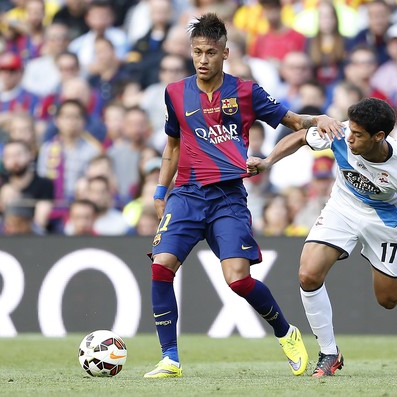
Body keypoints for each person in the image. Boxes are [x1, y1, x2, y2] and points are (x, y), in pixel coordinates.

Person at [145, 13, 344, 379]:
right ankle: (170, 358)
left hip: (227, 198)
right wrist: (161, 189)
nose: (203, 60)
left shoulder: (247, 92)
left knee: (237, 279)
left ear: (225, 53)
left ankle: (285, 332)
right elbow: (172, 146)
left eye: (210, 52)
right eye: (197, 52)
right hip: (186, 195)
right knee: (161, 267)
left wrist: (321, 119)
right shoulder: (174, 92)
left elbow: (294, 121)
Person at [247, 97, 397, 377]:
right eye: (350, 129)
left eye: (358, 135)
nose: (350, 138)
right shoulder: (340, 132)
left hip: (383, 221)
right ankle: (328, 352)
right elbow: (301, 137)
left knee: (388, 300)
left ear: (379, 136)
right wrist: (267, 162)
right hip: (343, 206)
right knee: (308, 275)